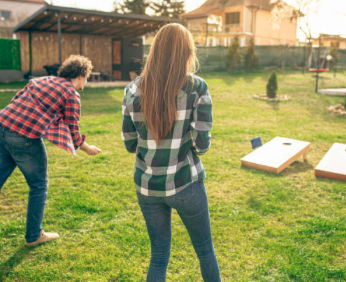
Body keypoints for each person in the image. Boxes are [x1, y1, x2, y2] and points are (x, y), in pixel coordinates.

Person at [122, 24, 221, 282]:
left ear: (154, 50)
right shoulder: (197, 87)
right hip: (185, 183)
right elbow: (201, 144)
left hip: (147, 187)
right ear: (187, 52)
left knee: (158, 256)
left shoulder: (132, 89)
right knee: (204, 251)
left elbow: (130, 143)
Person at [0, 55, 101, 247]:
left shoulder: (40, 80)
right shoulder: (71, 94)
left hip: (2, 126)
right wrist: (87, 148)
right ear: (80, 75)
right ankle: (34, 236)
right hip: (24, 138)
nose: (86, 82)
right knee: (38, 185)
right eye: (86, 77)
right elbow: (73, 129)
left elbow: (16, 100)